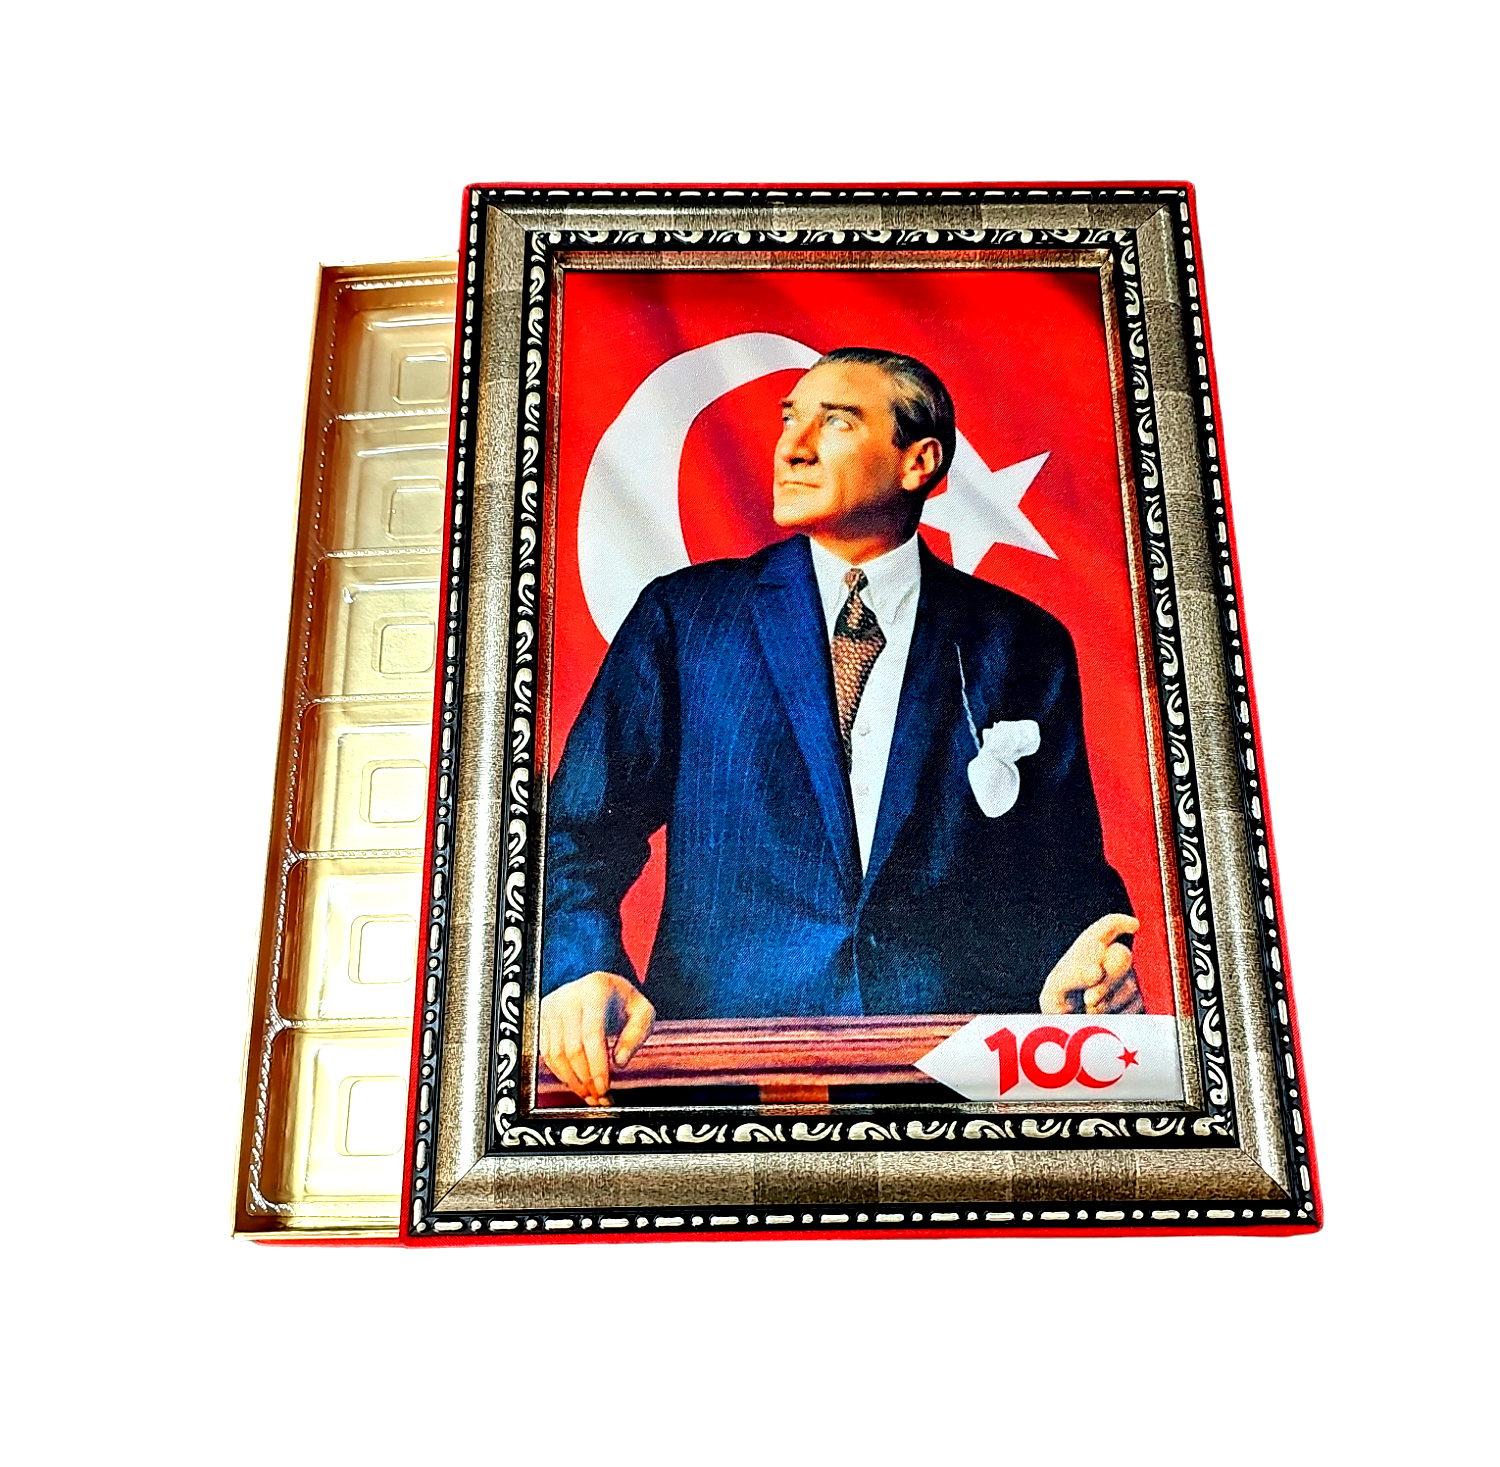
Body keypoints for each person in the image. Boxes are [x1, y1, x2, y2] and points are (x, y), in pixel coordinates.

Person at [540, 347, 1143, 1105]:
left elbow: (1064, 870)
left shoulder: (1021, 640)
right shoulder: (686, 618)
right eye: (789, 419)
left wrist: (1093, 961)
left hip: (954, 1089)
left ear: (919, 461)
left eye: (836, 422)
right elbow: (577, 832)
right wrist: (577, 968)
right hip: (721, 1080)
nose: (791, 447)